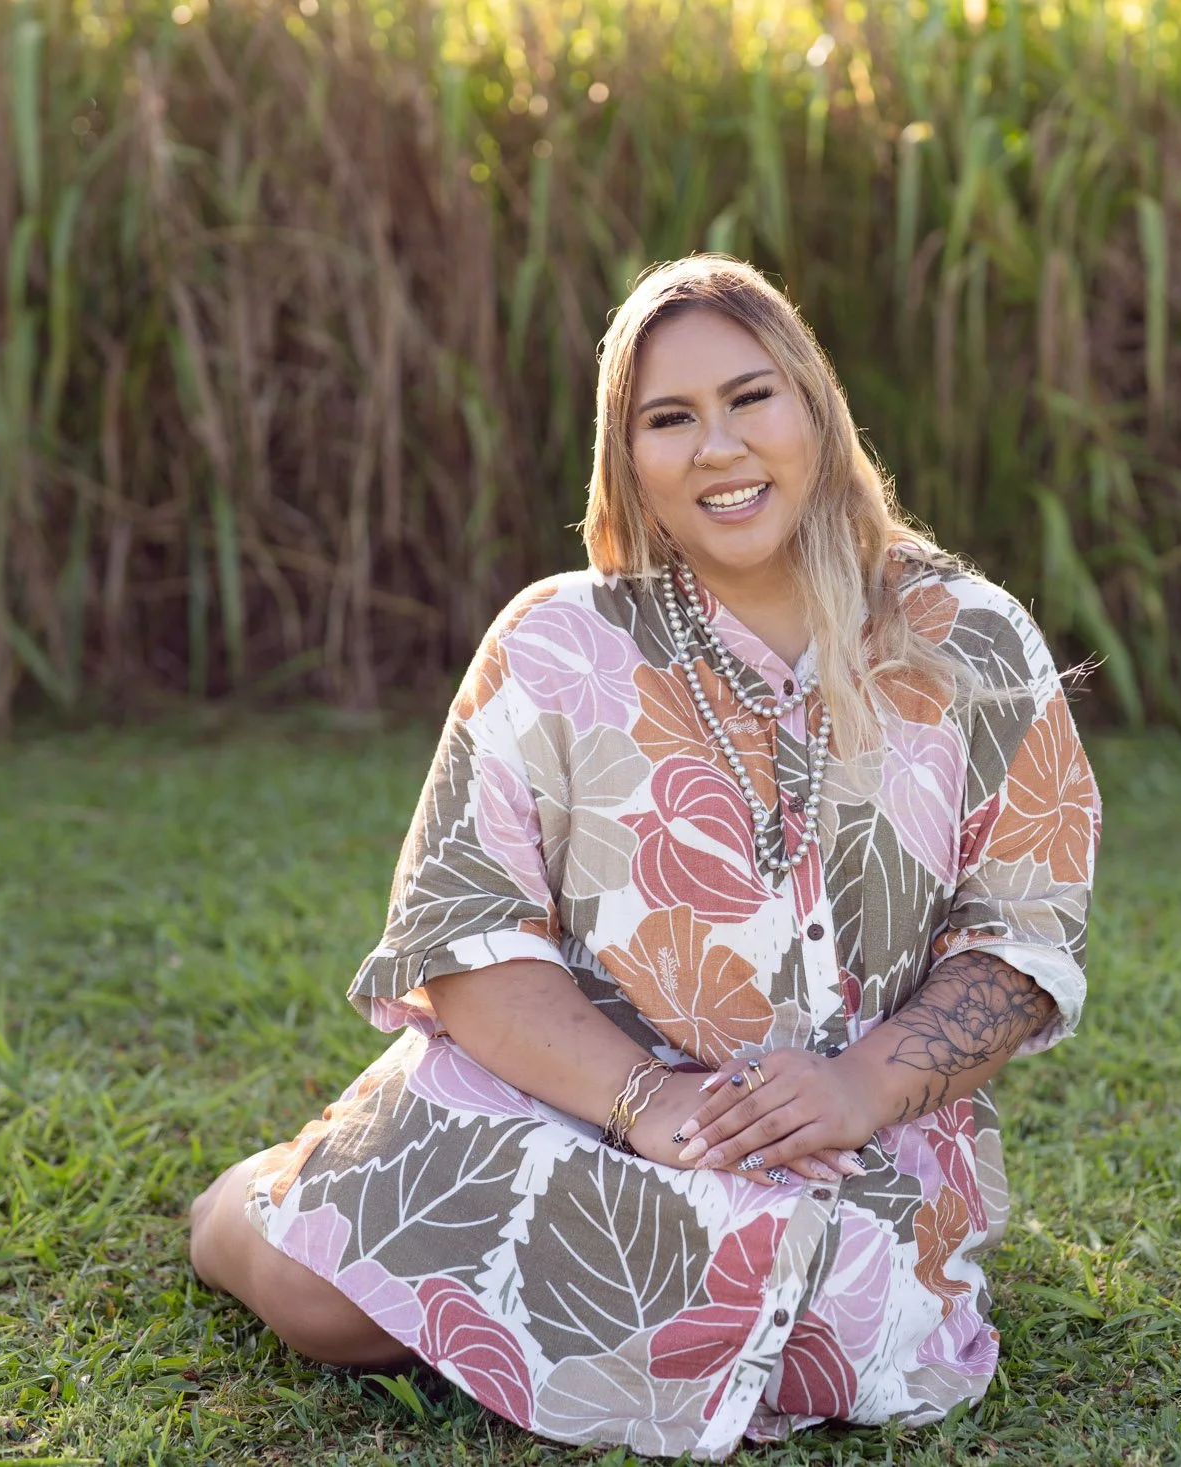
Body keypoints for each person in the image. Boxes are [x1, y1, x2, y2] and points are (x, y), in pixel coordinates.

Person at [187, 254, 1102, 1459]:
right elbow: (467, 937)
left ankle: (393, 1209)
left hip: (853, 1141)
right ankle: (262, 1195)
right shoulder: (558, 639)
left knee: (830, 1342)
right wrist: (648, 1102)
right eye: (669, 419)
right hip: (571, 1106)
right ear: (631, 461)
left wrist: (858, 1087)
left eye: (749, 398)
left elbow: (1024, 936)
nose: (717, 447)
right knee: (314, 1296)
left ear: (815, 412)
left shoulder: (967, 637)